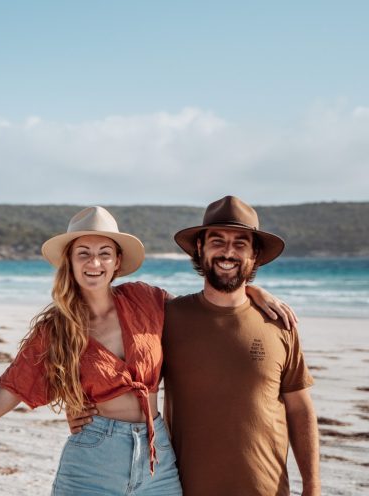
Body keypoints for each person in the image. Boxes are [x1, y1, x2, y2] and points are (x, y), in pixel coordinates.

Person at [0, 205, 294, 495]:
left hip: (157, 457)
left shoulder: (146, 300)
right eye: (84, 253)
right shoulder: (55, 331)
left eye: (104, 254)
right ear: (70, 262)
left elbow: (205, 306)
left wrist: (251, 289)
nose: (94, 262)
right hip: (94, 457)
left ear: (116, 261)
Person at [70, 196, 319, 496]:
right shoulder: (167, 318)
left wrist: (312, 487)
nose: (228, 252)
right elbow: (110, 354)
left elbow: (300, 408)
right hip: (183, 488)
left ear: (255, 254)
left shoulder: (279, 323)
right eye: (217, 241)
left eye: (240, 244)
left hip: (267, 490)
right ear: (200, 248)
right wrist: (79, 404)